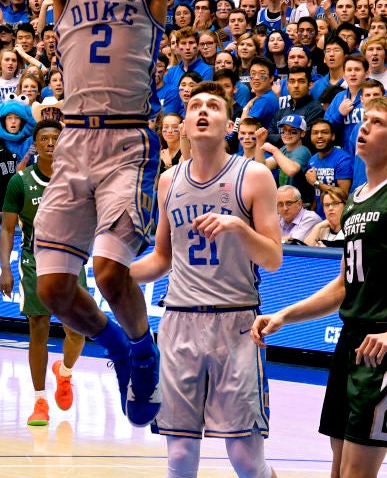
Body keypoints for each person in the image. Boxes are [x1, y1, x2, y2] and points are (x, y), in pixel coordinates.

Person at [30, 0, 215, 427]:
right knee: (54, 291)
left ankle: (143, 348)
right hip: (72, 142)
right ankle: (118, 347)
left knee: (110, 272)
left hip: (127, 144)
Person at [252, 97, 387, 478]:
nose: (364, 127)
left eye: (377, 123)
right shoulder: (357, 198)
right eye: (364, 120)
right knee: (339, 469)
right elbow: (346, 284)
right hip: (352, 340)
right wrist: (285, 315)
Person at [131, 81, 282, 478]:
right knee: (179, 457)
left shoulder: (254, 176)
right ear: (182, 125)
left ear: (229, 124)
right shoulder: (168, 180)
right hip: (179, 321)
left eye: (213, 106)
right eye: (194, 105)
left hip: (236, 324)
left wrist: (238, 227)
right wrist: (117, 273)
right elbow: (162, 258)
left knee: (246, 459)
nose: (202, 111)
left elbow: (273, 259)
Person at [0, 120, 86, 427]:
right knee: (39, 327)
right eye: (45, 138)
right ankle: (39, 401)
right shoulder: (20, 181)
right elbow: (7, 229)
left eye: (55, 138)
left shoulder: (76, 178)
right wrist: (5, 267)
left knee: (78, 330)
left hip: (71, 261)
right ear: (36, 144)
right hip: (34, 261)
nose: (51, 142)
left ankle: (65, 373)